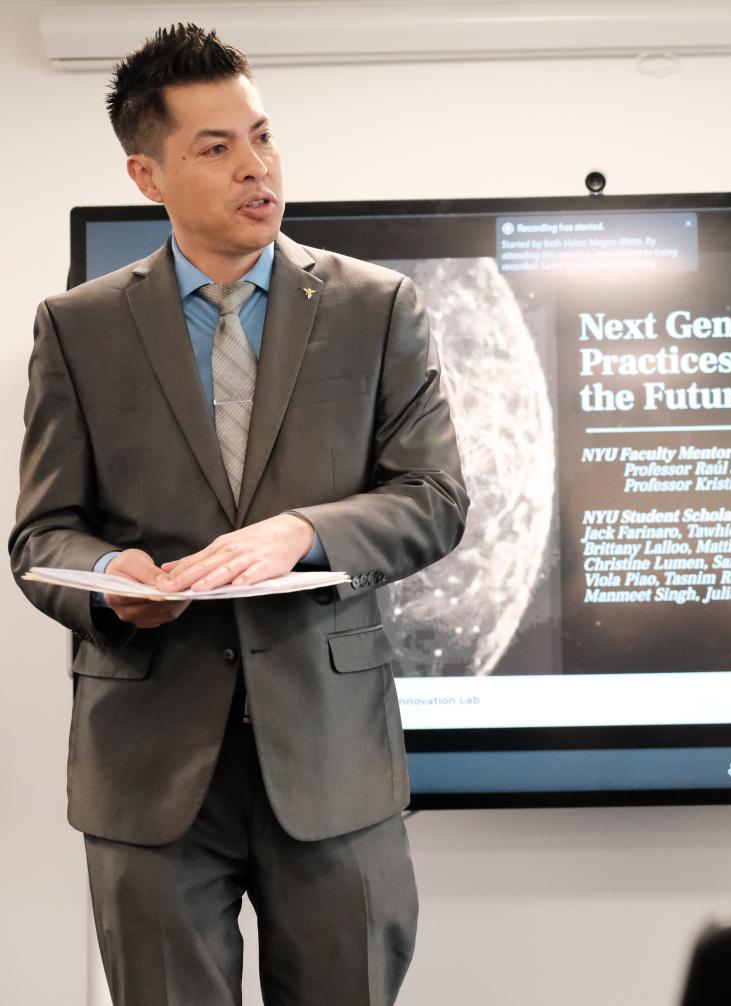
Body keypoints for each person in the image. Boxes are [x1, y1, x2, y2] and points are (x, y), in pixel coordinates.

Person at [8, 23, 468, 1005]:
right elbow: (43, 531)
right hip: (149, 765)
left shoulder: (377, 306)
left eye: (262, 137)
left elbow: (432, 500)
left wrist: (307, 531)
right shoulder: (77, 328)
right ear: (147, 174)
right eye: (215, 147)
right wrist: (109, 581)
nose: (256, 168)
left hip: (332, 759)